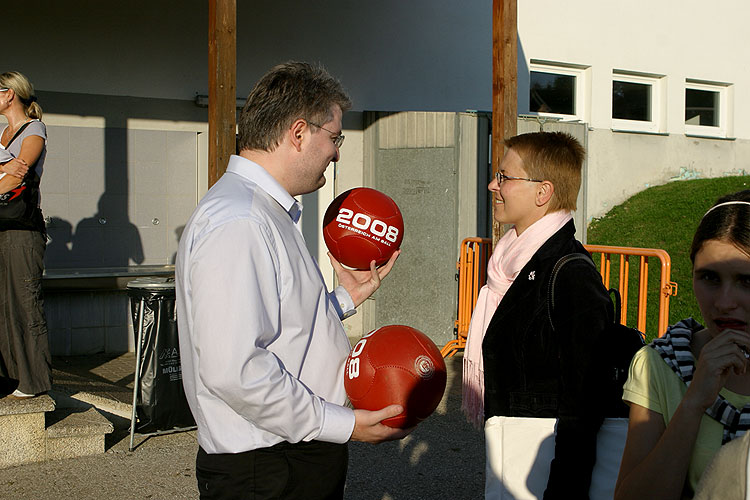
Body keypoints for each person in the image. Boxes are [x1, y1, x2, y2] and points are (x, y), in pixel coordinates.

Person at [175, 61, 410, 500]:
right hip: (268, 467)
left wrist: (342, 300)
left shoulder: (262, 210)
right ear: (299, 133)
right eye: (334, 137)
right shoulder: (240, 220)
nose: (337, 152)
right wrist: (343, 424)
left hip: (288, 454)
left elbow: (278, 325)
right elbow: (235, 369)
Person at [461, 131, 614, 498]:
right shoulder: (509, 263)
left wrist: (563, 490)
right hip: (514, 458)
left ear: (543, 192)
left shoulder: (571, 274)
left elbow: (585, 401)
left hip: (546, 475)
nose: (491, 185)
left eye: (504, 177)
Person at [615, 190, 750, 499]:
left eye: (746, 281)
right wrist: (693, 402)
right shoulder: (660, 364)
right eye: (709, 278)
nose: (724, 302)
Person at [0, 71, 52, 399]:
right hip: (2, 227)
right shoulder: (2, 132)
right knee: (3, 305)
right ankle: (10, 377)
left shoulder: (34, 129)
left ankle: (33, 381)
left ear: (10, 94)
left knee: (25, 303)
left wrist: (7, 172)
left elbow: (20, 174)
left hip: (22, 229)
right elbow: (9, 173)